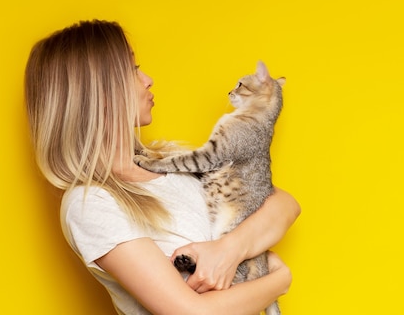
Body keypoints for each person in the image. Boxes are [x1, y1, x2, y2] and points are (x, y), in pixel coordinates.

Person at [24, 19, 301, 314]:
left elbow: (283, 204)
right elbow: (191, 313)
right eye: (133, 69)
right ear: (100, 94)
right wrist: (279, 281)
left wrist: (228, 250)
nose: (148, 79)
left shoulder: (172, 158)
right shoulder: (91, 204)